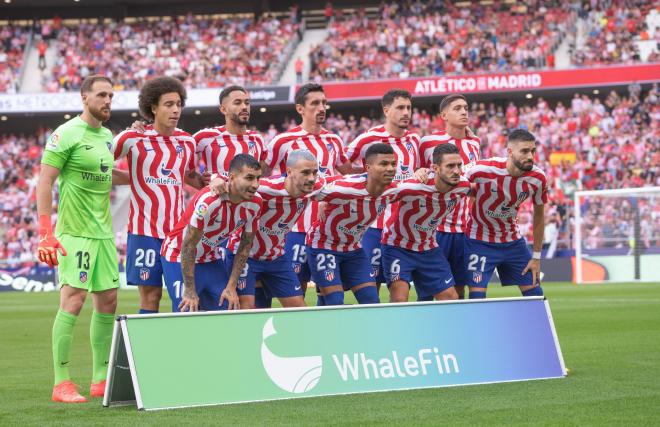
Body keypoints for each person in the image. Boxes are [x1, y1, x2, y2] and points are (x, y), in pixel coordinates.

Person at [37, 75, 118, 403]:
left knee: (109, 301)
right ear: (84, 98)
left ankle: (101, 379)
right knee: (73, 300)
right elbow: (45, 182)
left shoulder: (109, 137)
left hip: (104, 234)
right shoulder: (66, 134)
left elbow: (109, 173)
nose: (108, 101)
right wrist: (45, 232)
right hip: (74, 233)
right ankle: (62, 383)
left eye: (111, 95)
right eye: (101, 95)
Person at [113, 76, 207, 314]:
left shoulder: (186, 141)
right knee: (150, 298)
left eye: (178, 104)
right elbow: (100, 165)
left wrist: (214, 184)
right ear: (153, 107)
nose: (175, 110)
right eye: (168, 104)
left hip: (177, 235)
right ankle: (146, 351)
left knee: (183, 297)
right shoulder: (131, 139)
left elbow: (187, 175)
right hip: (143, 233)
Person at [264, 83, 354, 306]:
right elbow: (261, 177)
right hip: (296, 229)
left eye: (324, 103)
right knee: (298, 291)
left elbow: (347, 174)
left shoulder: (334, 140)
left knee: (330, 291)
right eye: (315, 103)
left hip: (326, 231)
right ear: (300, 108)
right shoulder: (283, 142)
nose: (321, 107)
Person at [224, 150, 327, 309]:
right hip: (245, 256)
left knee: (301, 311)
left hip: (276, 257)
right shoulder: (264, 188)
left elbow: (341, 183)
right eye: (305, 173)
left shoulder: (316, 187)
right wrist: (217, 179)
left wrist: (325, 202)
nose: (311, 178)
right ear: (289, 172)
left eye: (315, 172)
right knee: (247, 309)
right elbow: (232, 182)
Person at [161, 154, 262, 312]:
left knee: (229, 308)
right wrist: (189, 290)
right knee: (187, 311)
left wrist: (231, 286)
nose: (255, 185)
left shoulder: (256, 203)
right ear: (232, 177)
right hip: (177, 254)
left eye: (258, 178)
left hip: (210, 258)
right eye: (249, 178)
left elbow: (245, 246)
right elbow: (188, 246)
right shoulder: (210, 201)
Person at [345, 89, 421, 292]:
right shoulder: (370, 138)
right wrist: (365, 178)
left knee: (401, 288)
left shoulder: (414, 140)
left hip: (404, 229)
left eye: (409, 108)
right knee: (372, 287)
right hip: (374, 226)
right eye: (400, 108)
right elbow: (342, 162)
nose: (406, 112)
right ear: (387, 110)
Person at [306, 143, 399, 306]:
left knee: (371, 300)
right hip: (323, 245)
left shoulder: (394, 190)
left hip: (353, 249)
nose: (390, 168)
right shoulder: (346, 187)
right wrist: (324, 200)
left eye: (393, 164)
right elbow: (313, 185)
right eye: (383, 164)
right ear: (368, 167)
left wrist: (423, 172)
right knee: (335, 301)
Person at [382, 143, 471, 302]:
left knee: (451, 297)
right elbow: (377, 194)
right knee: (399, 299)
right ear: (435, 168)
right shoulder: (414, 185)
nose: (457, 170)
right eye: (450, 166)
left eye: (459, 165)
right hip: (397, 246)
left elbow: (484, 187)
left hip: (428, 247)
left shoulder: (463, 186)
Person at [463, 129, 547, 299]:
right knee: (476, 298)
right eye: (524, 151)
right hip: (479, 241)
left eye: (533, 151)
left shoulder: (538, 178)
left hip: (512, 242)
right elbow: (452, 179)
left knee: (536, 295)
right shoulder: (483, 168)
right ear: (510, 152)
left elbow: (539, 216)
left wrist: (536, 257)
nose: (530, 156)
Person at [418, 94, 481, 299]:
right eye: (457, 108)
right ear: (444, 114)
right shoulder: (428, 143)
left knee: (459, 289)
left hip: (464, 231)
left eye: (465, 107)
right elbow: (416, 175)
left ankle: (455, 329)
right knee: (429, 291)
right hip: (436, 230)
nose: (464, 111)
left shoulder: (474, 144)